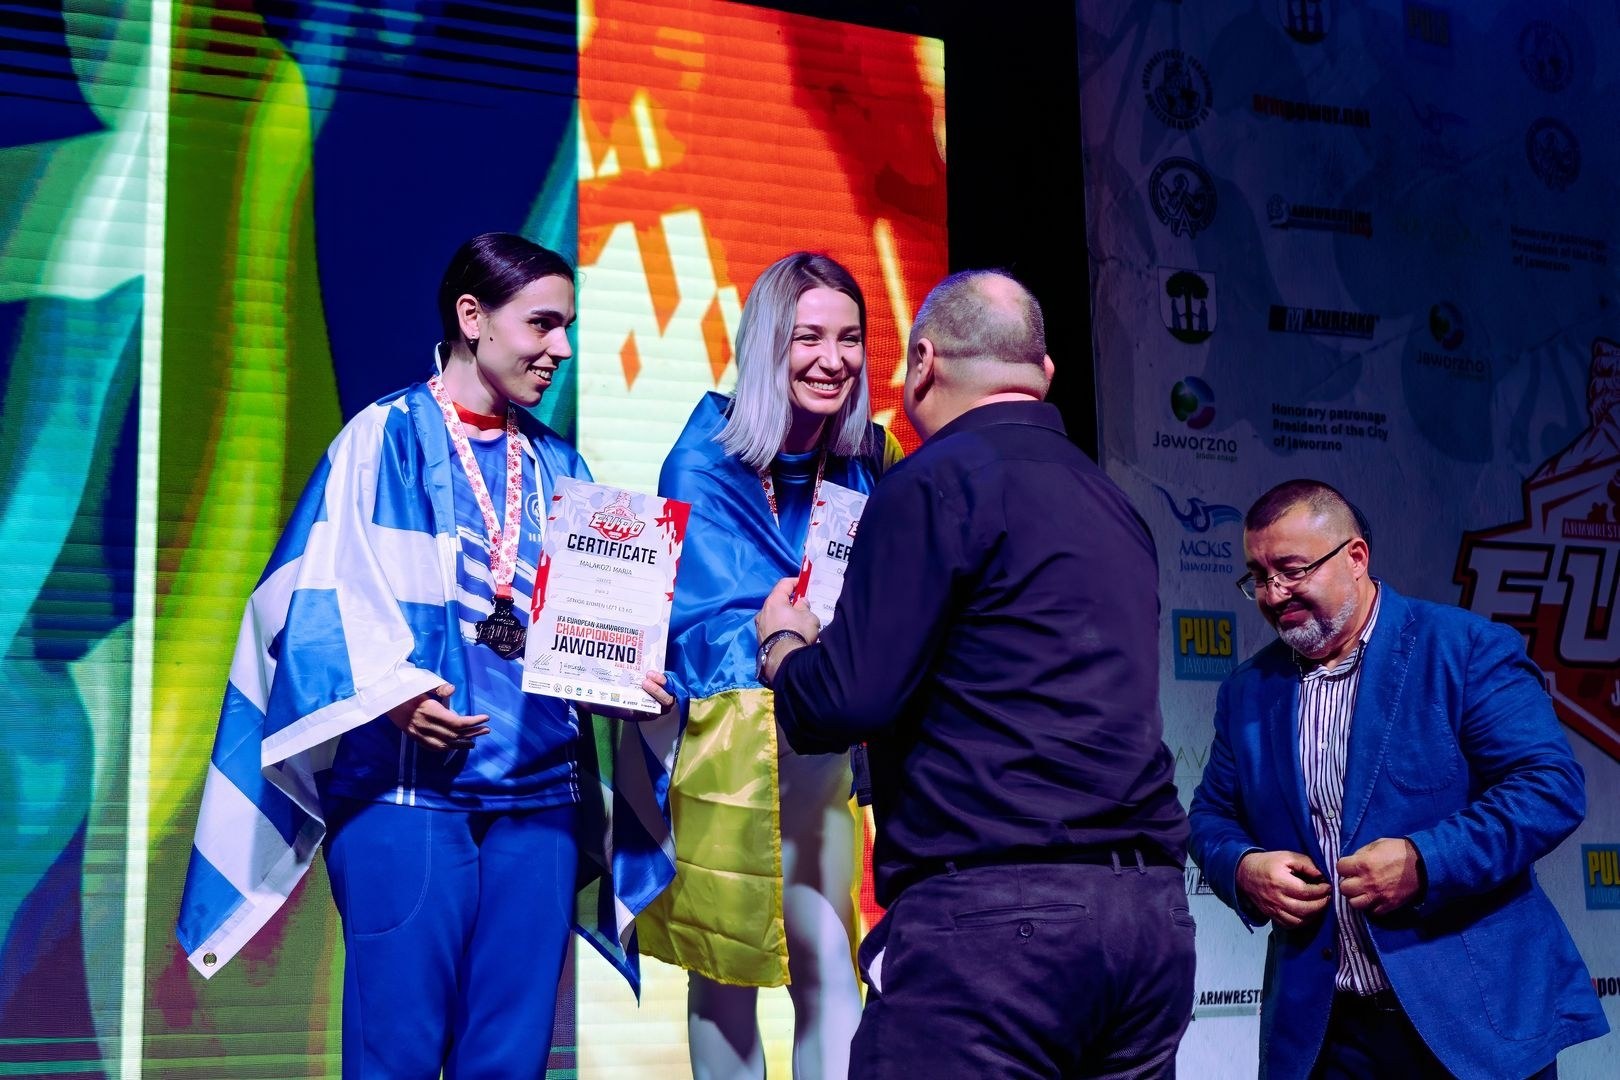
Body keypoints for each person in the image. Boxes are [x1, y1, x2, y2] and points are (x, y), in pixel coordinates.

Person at [176, 232, 676, 1078]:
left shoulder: (562, 465)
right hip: (408, 799)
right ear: (472, 317)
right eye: (543, 324)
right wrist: (391, 690)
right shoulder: (381, 438)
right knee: (397, 1055)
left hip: (538, 806)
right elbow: (311, 597)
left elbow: (588, 633)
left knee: (510, 1060)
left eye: (568, 327)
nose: (561, 348)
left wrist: (629, 681)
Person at [755, 269, 1194, 1078]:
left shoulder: (931, 482)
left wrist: (784, 649)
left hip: (1001, 930)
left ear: (921, 363)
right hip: (1151, 924)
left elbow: (848, 698)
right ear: (1045, 374)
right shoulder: (1114, 503)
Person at [1187, 479, 1609, 1080]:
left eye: (1291, 569)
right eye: (1257, 575)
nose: (1273, 593)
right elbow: (1210, 816)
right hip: (1326, 1035)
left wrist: (1425, 859)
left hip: (1469, 1024)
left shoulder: (1464, 649)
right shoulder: (1247, 692)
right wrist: (1242, 866)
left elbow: (1548, 787)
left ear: (1355, 558)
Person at [638, 252, 900, 1079]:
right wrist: (766, 633)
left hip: (821, 745)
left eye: (850, 338)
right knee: (725, 969)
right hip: (723, 747)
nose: (834, 359)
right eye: (809, 337)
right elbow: (686, 620)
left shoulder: (873, 457)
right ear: (766, 344)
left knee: (829, 958)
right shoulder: (703, 459)